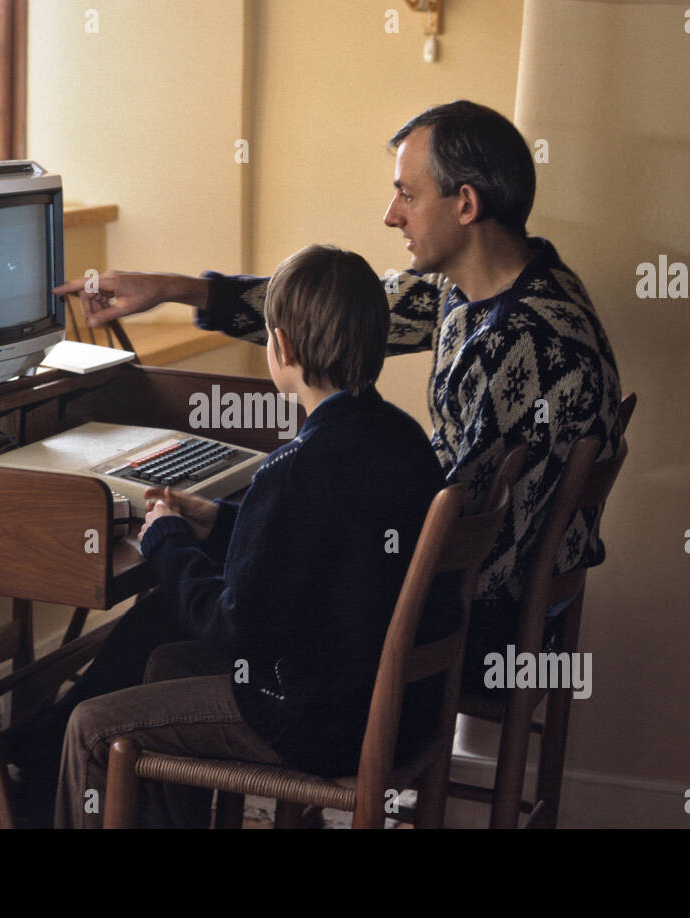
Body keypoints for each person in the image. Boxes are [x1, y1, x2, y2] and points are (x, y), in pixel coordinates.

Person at [59, 100, 623, 695]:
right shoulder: (498, 288)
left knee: (196, 607)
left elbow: (449, 543)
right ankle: (59, 759)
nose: (390, 215)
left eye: (407, 194)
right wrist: (170, 289)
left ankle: (49, 763)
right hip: (474, 602)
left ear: (465, 204)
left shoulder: (522, 343)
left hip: (474, 632)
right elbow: (331, 313)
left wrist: (257, 537)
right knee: (213, 585)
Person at [53, 243, 460, 828]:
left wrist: (166, 538)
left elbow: (233, 626)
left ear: (282, 347)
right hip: (402, 710)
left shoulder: (295, 467)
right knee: (167, 662)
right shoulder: (403, 441)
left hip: (321, 719)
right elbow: (321, 550)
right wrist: (218, 522)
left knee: (91, 726)